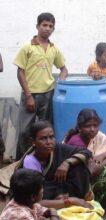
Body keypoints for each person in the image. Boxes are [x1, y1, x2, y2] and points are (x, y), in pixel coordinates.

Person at [13, 12, 68, 159]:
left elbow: (63, 69)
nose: (47, 28)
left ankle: (43, 160)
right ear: (37, 26)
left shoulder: (53, 48)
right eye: (44, 25)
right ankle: (22, 162)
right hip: (30, 94)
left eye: (50, 26)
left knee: (46, 131)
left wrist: (59, 85)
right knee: (25, 131)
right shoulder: (27, 48)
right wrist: (28, 95)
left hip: (48, 94)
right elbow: (20, 72)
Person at [18, 120, 93, 209]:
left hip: (61, 188)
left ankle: (74, 196)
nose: (49, 142)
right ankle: (67, 200)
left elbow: (86, 152)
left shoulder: (58, 148)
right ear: (33, 141)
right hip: (44, 194)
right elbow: (33, 200)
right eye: (43, 138)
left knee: (79, 164)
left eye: (51, 137)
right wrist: (70, 201)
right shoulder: (30, 162)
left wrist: (67, 163)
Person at [64, 108, 106, 177]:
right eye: (87, 126)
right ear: (79, 128)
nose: (92, 129)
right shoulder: (76, 142)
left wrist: (105, 155)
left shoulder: (96, 135)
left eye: (95, 125)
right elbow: (93, 171)